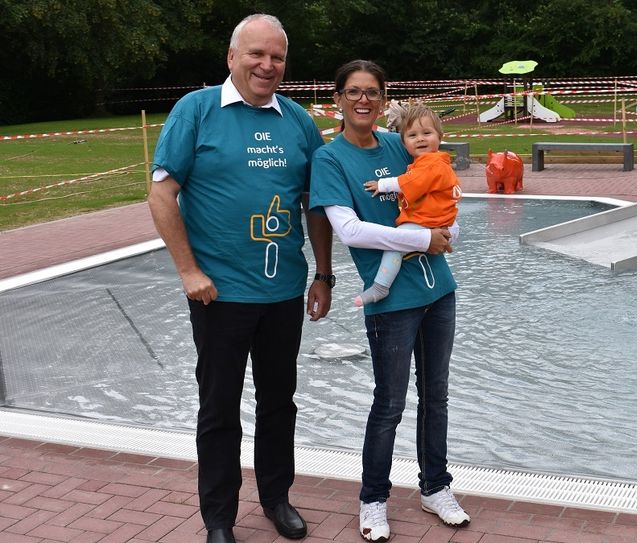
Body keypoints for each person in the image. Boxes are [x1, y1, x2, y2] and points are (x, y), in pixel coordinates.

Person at [147, 14, 332, 543]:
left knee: (279, 402)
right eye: (256, 54)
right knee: (220, 406)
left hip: (281, 291)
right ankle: (219, 519)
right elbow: (162, 193)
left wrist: (323, 273)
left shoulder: (297, 121)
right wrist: (188, 270)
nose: (266, 65)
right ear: (231, 57)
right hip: (219, 295)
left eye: (276, 57)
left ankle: (277, 499)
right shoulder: (196, 111)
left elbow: (315, 205)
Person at [309, 60, 470, 542]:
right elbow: (351, 231)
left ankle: (435, 486)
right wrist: (424, 241)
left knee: (436, 396)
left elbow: (445, 200)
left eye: (372, 92)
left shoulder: (403, 145)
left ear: (383, 100)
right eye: (353, 92)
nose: (363, 100)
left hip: (438, 290)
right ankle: (373, 499)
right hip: (391, 302)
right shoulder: (330, 160)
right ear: (338, 98)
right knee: (390, 403)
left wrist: (448, 232)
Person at [355, 102, 462, 306]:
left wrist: (382, 184)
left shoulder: (432, 163)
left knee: (395, 244)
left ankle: (380, 287)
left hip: (426, 221)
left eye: (427, 133)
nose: (420, 138)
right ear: (403, 143)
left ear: (440, 137)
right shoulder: (430, 162)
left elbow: (409, 182)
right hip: (437, 219)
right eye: (412, 135)